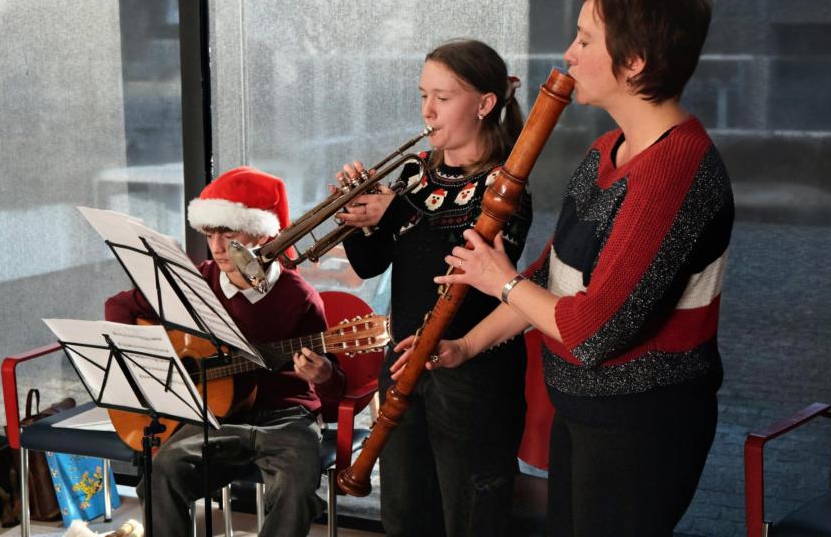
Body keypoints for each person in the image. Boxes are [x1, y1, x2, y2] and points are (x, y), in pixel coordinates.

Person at [410, 0, 734, 536]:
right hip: (587, 415)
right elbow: (553, 277)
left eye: (585, 39)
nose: (569, 52)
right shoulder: (609, 149)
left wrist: (501, 281)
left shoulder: (673, 172)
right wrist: (466, 343)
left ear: (633, 63)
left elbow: (594, 331)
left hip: (641, 426)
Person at [335, 39, 533, 537]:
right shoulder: (415, 173)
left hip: (472, 375)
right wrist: (358, 218)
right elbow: (371, 262)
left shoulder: (506, 184)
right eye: (424, 95)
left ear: (485, 104)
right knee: (404, 514)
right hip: (403, 364)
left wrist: (396, 213)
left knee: (469, 516)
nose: (427, 110)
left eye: (442, 98)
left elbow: (463, 256)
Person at [105, 166, 344, 537]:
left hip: (286, 417)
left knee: (295, 487)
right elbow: (120, 306)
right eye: (210, 234)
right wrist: (150, 358)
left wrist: (325, 376)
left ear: (263, 234)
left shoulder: (299, 297)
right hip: (212, 416)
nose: (216, 247)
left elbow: (334, 390)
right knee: (161, 474)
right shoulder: (193, 281)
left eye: (229, 234)